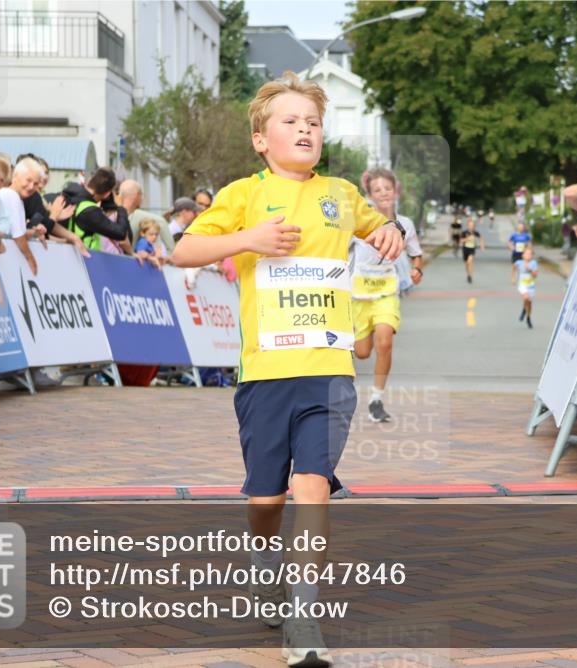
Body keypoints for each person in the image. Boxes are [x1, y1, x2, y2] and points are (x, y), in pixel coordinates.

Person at [171, 71, 403, 667]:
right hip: (266, 376)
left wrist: (391, 233)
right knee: (268, 500)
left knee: (312, 487)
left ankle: (303, 615)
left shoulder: (342, 193)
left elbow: (379, 226)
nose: (305, 129)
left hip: (328, 373)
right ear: (260, 139)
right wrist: (249, 238)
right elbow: (182, 251)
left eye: (313, 122)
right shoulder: (243, 195)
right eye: (291, 121)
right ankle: (261, 559)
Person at [351, 167, 424, 423]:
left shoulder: (405, 224)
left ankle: (376, 399)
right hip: (360, 292)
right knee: (361, 353)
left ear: (396, 191)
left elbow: (416, 254)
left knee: (385, 341)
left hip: (386, 291)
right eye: (377, 190)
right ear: (369, 194)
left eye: (387, 189)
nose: (383, 193)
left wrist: (417, 270)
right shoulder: (361, 220)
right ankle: (363, 336)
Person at [60, 167, 131, 252]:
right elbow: (120, 233)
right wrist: (121, 208)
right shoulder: (90, 210)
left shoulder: (67, 196)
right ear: (107, 194)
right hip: (84, 259)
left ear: (90, 180)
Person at [512, 247, 539, 328]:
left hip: (531, 286)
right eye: (526, 254)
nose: (528, 255)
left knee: (529, 304)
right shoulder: (519, 262)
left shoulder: (534, 263)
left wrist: (530, 270)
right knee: (526, 297)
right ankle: (524, 309)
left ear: (532, 256)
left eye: (530, 254)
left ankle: (528, 317)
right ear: (523, 255)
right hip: (522, 285)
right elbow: (513, 268)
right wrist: (513, 278)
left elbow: (535, 276)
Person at [460, 217, 484, 283]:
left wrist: (482, 246)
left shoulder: (475, 232)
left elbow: (481, 238)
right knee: (467, 264)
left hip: (472, 249)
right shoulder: (464, 232)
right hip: (465, 249)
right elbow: (461, 241)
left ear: (474, 226)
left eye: (472, 226)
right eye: (470, 225)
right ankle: (468, 274)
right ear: (468, 226)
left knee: (469, 261)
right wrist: (467, 239)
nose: (471, 227)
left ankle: (471, 276)